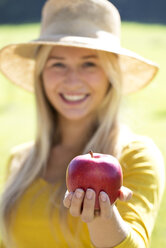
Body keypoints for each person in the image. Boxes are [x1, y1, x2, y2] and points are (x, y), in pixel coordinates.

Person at [0, 0, 165, 247]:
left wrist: (103, 218)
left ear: (110, 75)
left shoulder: (134, 156)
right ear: (41, 73)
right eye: (58, 64)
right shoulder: (21, 162)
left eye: (89, 63)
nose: (72, 80)